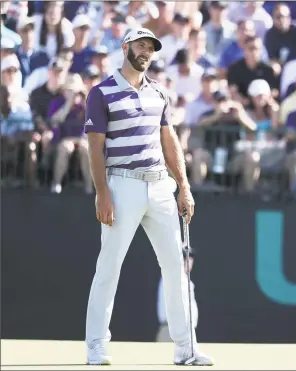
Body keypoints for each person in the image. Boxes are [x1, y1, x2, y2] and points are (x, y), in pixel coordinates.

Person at [83, 27, 213, 366]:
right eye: (140, 45)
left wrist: (183, 185)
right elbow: (95, 148)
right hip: (122, 184)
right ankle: (96, 346)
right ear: (125, 47)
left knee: (176, 268)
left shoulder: (159, 92)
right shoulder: (102, 92)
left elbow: (169, 142)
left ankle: (186, 349)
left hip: (160, 187)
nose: (146, 52)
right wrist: (102, 193)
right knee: (109, 267)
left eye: (151, 48)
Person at [156, 248, 198, 342]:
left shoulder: (186, 280)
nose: (187, 261)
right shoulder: (171, 276)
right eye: (184, 257)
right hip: (171, 330)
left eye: (190, 258)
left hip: (186, 332)